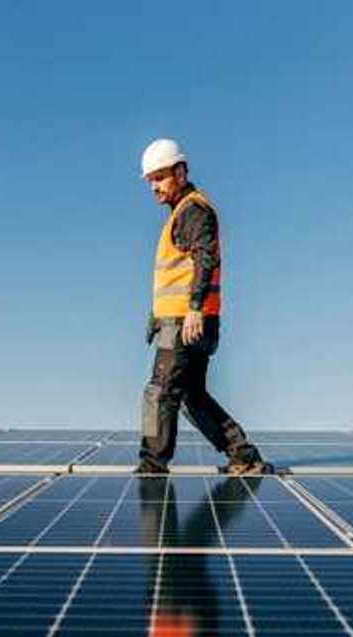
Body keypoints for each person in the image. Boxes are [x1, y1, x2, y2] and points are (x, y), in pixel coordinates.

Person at [136, 138, 270, 476]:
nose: (154, 186)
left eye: (160, 177)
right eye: (150, 179)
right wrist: (157, 314)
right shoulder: (182, 213)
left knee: (161, 392)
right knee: (192, 396)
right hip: (185, 319)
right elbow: (178, 272)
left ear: (180, 172)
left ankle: (152, 467)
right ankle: (243, 455)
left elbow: (205, 257)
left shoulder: (193, 210)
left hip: (187, 322)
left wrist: (194, 308)